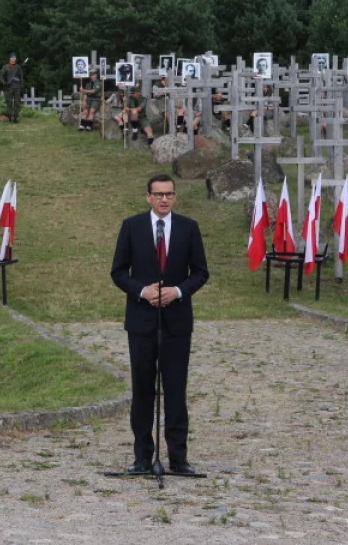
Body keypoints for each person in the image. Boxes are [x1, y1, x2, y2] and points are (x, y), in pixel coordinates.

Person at [110, 174, 209, 475]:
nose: (164, 199)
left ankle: (178, 458)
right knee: (142, 389)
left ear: (175, 197)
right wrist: (143, 291)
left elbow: (200, 272)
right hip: (142, 322)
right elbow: (118, 271)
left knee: (176, 390)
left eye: (169, 194)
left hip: (177, 322)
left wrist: (177, 291)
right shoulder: (132, 226)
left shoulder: (189, 228)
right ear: (148, 197)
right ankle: (142, 456)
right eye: (158, 194)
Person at [0, 52, 24, 124]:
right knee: (9, 103)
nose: (13, 59)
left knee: (17, 103)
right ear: (10, 59)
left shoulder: (18, 67)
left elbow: (21, 77)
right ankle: (9, 117)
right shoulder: (5, 66)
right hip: (9, 87)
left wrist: (21, 86)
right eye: (12, 58)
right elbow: (1, 75)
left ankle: (16, 118)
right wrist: (4, 82)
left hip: (17, 87)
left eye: (15, 58)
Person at [79, 68, 102, 132]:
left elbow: (94, 91)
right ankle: (82, 126)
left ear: (96, 75)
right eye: (90, 75)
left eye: (93, 74)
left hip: (96, 99)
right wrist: (84, 101)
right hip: (88, 99)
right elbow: (85, 94)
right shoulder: (88, 84)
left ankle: (89, 126)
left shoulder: (99, 83)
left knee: (92, 111)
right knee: (85, 111)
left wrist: (83, 90)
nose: (91, 76)